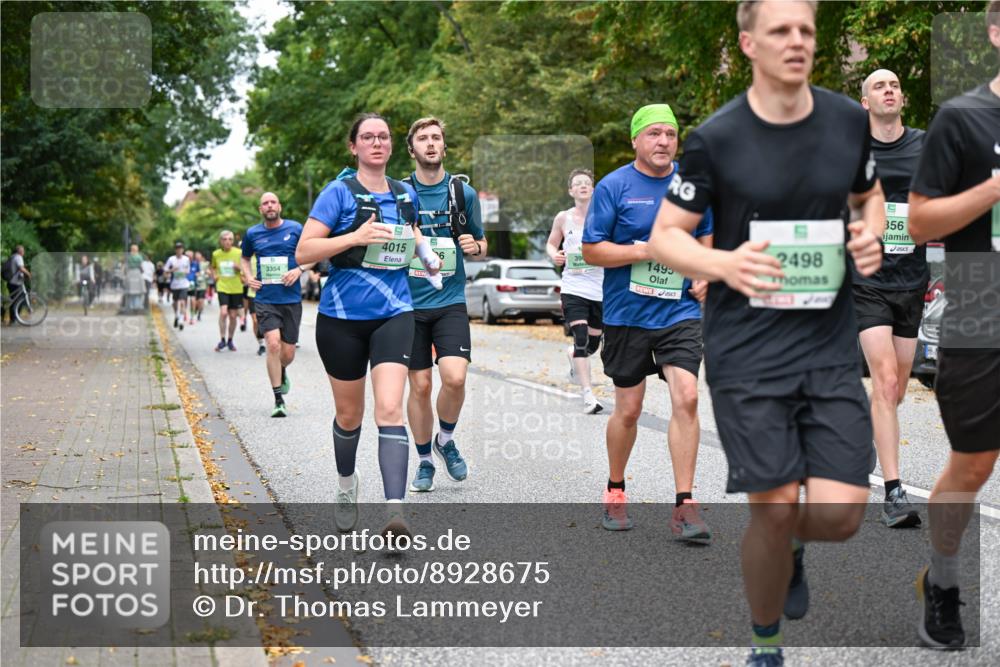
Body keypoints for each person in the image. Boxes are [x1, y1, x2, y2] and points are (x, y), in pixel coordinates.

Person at [647, 2, 885, 663]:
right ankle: (765, 643)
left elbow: (868, 197)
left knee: (840, 514)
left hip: (828, 345)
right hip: (746, 348)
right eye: (781, 30)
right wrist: (723, 261)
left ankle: (797, 546)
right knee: (772, 510)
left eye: (806, 29)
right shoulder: (717, 138)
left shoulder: (846, 121)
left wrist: (871, 230)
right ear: (749, 43)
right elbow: (665, 236)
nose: (797, 41)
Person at [296, 112, 440, 538]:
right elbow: (305, 251)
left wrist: (428, 257)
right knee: (349, 415)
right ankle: (346, 486)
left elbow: (412, 238)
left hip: (395, 313)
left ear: (392, 145)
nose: (377, 143)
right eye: (367, 137)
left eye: (384, 137)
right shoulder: (337, 194)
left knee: (391, 409)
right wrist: (354, 238)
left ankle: (396, 513)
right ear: (354, 146)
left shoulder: (404, 194)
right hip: (341, 318)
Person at [907, 3, 1000, 649]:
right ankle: (941, 581)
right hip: (982, 301)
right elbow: (919, 223)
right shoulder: (962, 118)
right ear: (996, 32)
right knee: (973, 464)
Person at [582, 104, 713, 541]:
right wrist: (645, 251)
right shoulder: (614, 186)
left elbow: (705, 236)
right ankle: (616, 489)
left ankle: (685, 505)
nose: (663, 142)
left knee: (688, 397)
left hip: (679, 312)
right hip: (627, 314)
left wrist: (701, 272)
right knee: (629, 408)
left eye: (670, 135)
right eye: (654, 134)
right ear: (635, 140)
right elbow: (592, 250)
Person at [853, 68, 927, 528]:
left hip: (912, 279)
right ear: (865, 102)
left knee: (896, 388)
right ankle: (894, 492)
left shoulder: (925, 144)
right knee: (883, 380)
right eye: (880, 86)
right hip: (868, 281)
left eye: (895, 86)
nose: (890, 91)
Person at [402, 116, 488, 493]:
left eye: (437, 137)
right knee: (419, 386)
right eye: (423, 138)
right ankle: (423, 461)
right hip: (407, 305)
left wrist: (475, 246)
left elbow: (483, 244)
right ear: (412, 149)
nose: (431, 143)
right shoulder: (399, 193)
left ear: (445, 147)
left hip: (450, 299)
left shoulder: (462, 193)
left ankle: (445, 440)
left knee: (455, 377)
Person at [241, 192, 313, 418]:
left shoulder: (295, 228)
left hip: (290, 299)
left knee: (287, 353)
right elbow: (244, 258)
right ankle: (278, 399)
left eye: (273, 202)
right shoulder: (253, 233)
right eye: (265, 203)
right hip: (264, 298)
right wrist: (248, 276)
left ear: (279, 206)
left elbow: (313, 253)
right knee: (272, 344)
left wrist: (299, 270)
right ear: (260, 209)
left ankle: (282, 369)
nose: (269, 206)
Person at [547, 168, 605, 414]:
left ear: (593, 189)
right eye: (577, 183)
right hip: (573, 287)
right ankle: (588, 396)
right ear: (571, 191)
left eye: (587, 183)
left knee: (591, 346)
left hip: (600, 288)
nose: (583, 186)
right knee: (580, 338)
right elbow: (551, 243)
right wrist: (556, 255)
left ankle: (573, 356)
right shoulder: (563, 217)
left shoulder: (604, 215)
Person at [212, 230, 245, 352]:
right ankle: (222, 339)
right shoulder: (216, 254)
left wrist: (239, 268)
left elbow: (246, 267)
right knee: (224, 312)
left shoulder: (239, 253)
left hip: (236, 287)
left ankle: (230, 340)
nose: (228, 242)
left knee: (232, 316)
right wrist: (214, 275)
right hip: (222, 286)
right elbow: (213, 267)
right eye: (225, 239)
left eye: (230, 239)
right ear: (220, 241)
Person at [164, 241, 191, 330]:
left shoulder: (186, 259)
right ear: (175, 250)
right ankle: (177, 315)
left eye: (180, 249)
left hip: (184, 284)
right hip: (175, 284)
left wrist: (184, 272)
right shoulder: (171, 259)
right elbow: (165, 270)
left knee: (182, 302)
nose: (179, 250)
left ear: (183, 250)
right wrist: (172, 270)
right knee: (175, 303)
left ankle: (181, 320)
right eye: (177, 249)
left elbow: (188, 270)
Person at [3, 245, 30, 324]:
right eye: (23, 250)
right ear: (20, 251)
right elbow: (21, 268)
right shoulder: (18, 257)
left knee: (14, 300)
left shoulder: (12, 257)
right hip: (15, 283)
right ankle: (14, 319)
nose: (24, 252)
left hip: (11, 282)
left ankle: (13, 319)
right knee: (18, 301)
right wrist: (28, 274)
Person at [191, 251, 208, 322]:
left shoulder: (205, 264)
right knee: (195, 301)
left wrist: (206, 273)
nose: (197, 257)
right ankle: (195, 310)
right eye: (196, 256)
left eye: (199, 256)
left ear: (201, 256)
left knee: (201, 301)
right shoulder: (193, 264)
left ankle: (199, 314)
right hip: (194, 285)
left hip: (202, 285)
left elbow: (209, 271)